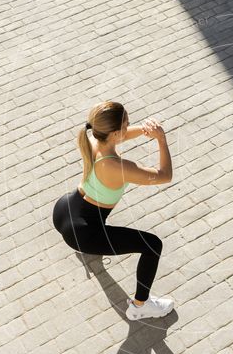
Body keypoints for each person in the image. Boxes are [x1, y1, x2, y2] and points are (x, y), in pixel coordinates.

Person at [52, 101, 175, 320]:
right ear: (116, 133)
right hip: (82, 233)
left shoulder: (92, 139)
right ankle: (140, 305)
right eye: (127, 124)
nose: (130, 128)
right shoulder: (119, 167)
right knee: (153, 245)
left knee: (105, 232)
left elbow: (121, 136)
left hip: (64, 210)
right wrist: (161, 139)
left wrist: (146, 130)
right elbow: (165, 175)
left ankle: (90, 251)